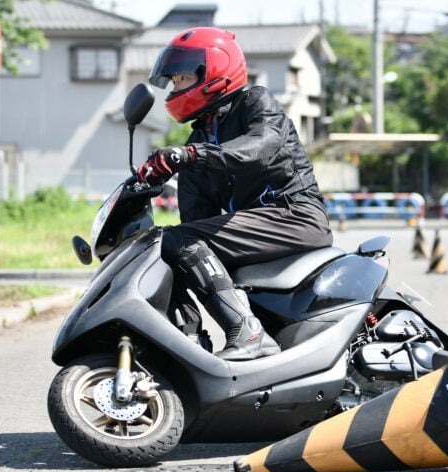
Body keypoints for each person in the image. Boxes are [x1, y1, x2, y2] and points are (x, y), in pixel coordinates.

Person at [137, 27, 333, 361]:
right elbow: (197, 223)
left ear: (213, 71)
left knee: (176, 239)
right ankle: (188, 342)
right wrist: (146, 183)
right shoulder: (198, 139)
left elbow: (259, 148)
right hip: (258, 227)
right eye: (173, 82)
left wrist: (190, 157)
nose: (174, 88)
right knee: (165, 248)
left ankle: (248, 332)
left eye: (181, 78)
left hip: (295, 215)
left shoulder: (255, 102)